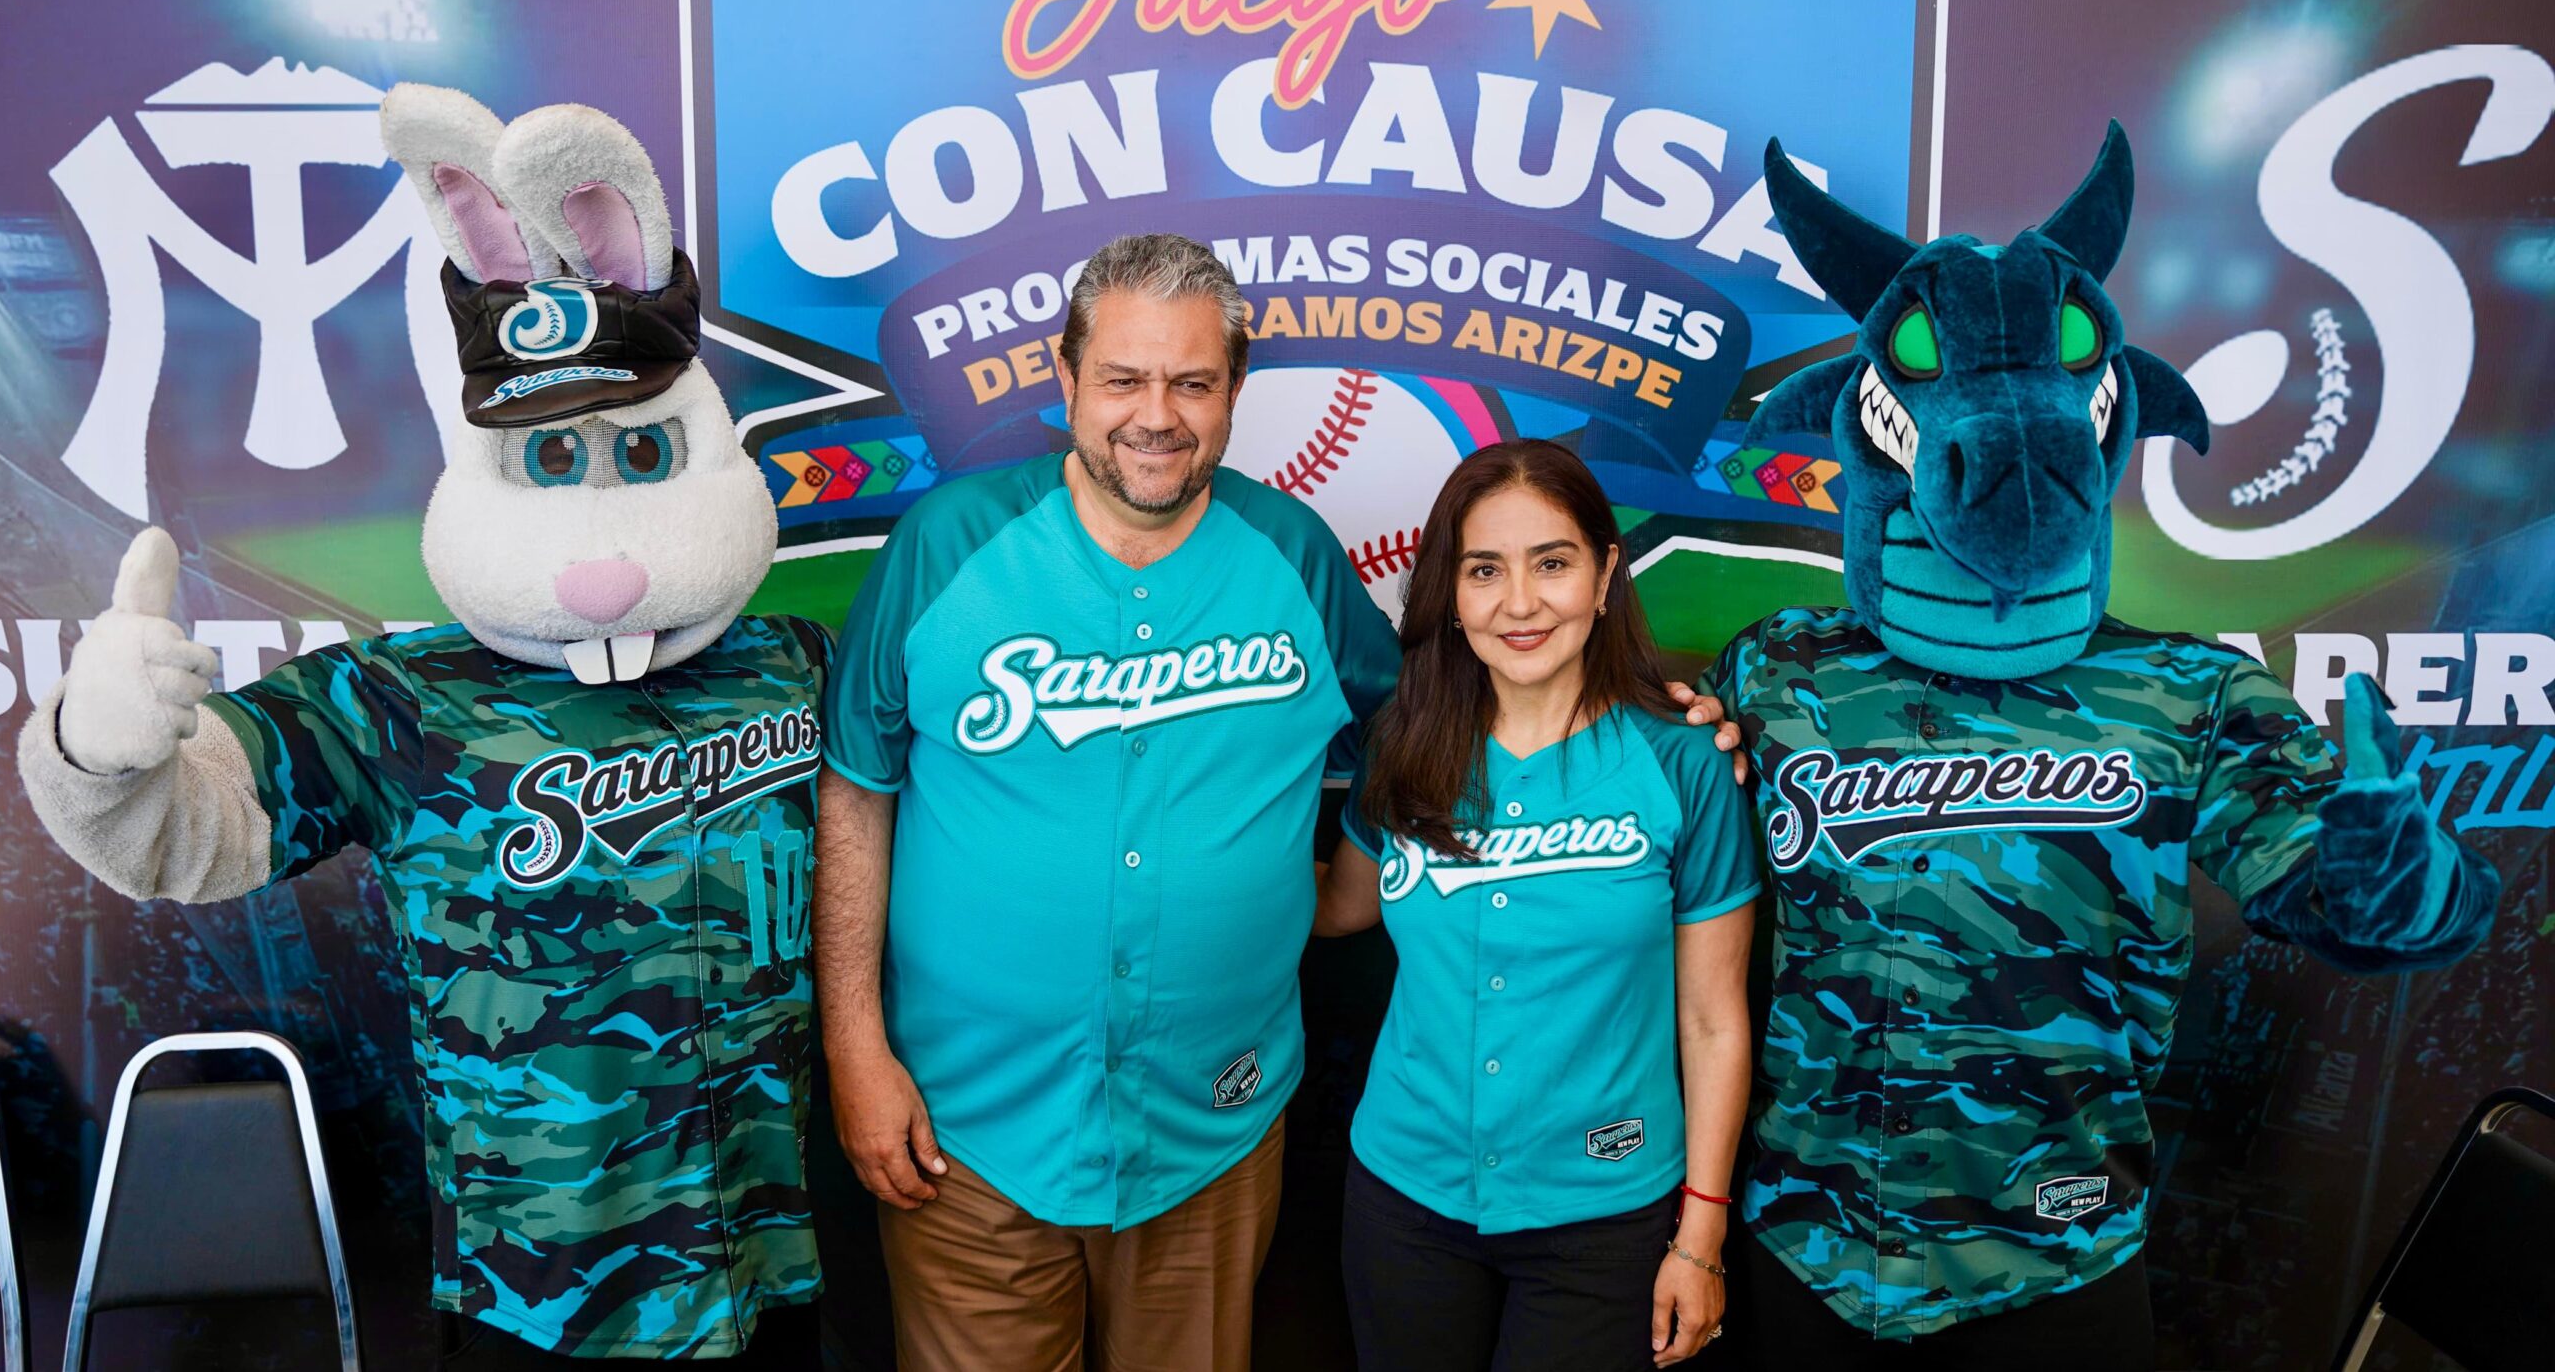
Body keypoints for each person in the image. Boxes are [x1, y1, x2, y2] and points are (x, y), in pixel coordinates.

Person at [816, 233, 1743, 1370]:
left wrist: (1656, 715)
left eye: (1192, 383)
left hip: (1211, 1128)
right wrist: (854, 1046)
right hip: (964, 1128)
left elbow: (1458, 707)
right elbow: (857, 790)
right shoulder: (945, 546)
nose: (1156, 415)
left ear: (1235, 390)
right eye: (1122, 379)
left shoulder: (1292, 556)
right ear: (1065, 379)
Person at [16, 87, 826, 1365]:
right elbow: (189, 830)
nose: (603, 551)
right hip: (535, 1298)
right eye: (548, 461)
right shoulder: (396, 697)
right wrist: (96, 749)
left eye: (635, 457)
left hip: (767, 1263)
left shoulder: (791, 671)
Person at [1705, 126, 2501, 1367]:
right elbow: (1669, 852)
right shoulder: (1779, 669)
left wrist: (2393, 874)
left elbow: (2374, 907)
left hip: (2053, 1258)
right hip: (1806, 1247)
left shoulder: (2188, 693)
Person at [1315, 440, 1758, 1371]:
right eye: (1485, 570)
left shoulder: (1684, 758)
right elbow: (1339, 908)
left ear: (1604, 577)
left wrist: (1702, 1236)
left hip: (1604, 1212)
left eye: (1552, 564)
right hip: (1404, 1199)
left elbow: (1713, 1020)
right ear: (1451, 593)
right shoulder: (1404, 744)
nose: (1520, 603)